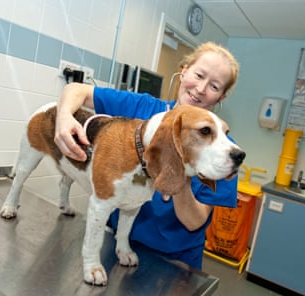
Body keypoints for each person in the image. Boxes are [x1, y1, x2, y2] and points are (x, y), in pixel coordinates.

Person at [54, 42, 240, 270]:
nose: (201, 88)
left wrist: (176, 168)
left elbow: (194, 222)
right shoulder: (143, 107)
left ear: (220, 97)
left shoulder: (225, 154)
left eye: (214, 86)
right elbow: (76, 90)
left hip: (174, 261)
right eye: (199, 75)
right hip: (116, 244)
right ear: (184, 71)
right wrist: (63, 117)